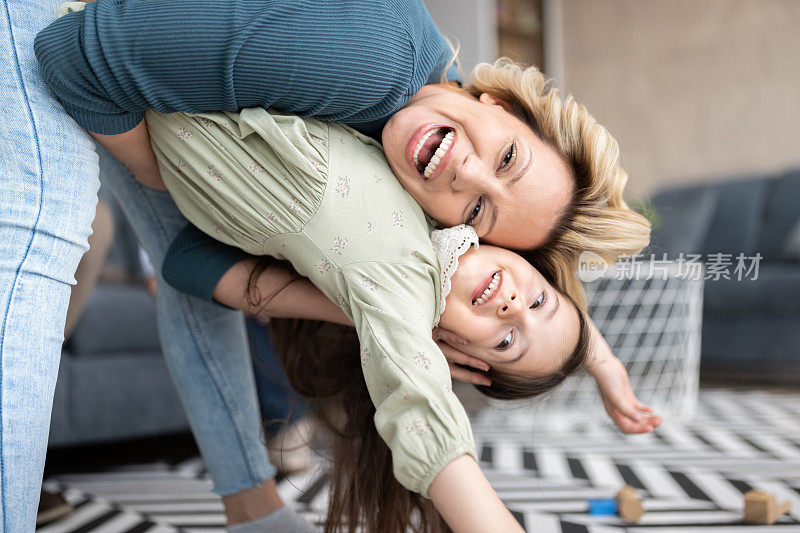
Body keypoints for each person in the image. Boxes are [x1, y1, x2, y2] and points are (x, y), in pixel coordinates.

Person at [31, 2, 650, 531]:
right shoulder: (374, 61)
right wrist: (151, 174)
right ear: (500, 104)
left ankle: (252, 506)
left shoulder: (418, 221)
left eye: (509, 340)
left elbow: (186, 265)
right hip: (79, 44)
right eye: (509, 154)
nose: (470, 174)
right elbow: (74, 54)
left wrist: (596, 357)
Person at [144, 102, 659, 531]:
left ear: (455, 354)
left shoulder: (397, 299)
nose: (512, 308)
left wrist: (358, 309)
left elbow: (184, 261)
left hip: (150, 101)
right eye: (539, 301)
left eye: (506, 342)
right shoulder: (455, 202)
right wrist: (602, 361)